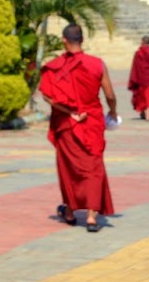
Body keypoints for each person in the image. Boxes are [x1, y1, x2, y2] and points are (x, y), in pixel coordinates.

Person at [38, 23, 118, 232]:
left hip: (67, 123)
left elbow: (48, 96)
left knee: (69, 167)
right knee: (93, 165)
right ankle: (92, 215)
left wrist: (69, 112)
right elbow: (109, 94)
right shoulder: (97, 64)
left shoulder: (55, 66)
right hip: (91, 120)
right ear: (81, 40)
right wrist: (113, 111)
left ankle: (71, 211)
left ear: (64, 40)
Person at [127, 36, 149, 120]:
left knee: (141, 95)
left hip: (140, 77)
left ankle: (142, 111)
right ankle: (148, 112)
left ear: (142, 42)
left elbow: (135, 66)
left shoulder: (138, 53)